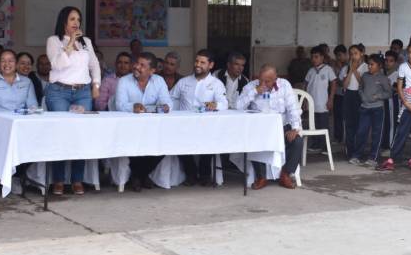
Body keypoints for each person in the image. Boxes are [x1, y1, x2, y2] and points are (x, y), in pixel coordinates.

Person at [45, 6, 101, 196]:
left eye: (78, 19)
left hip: (82, 92)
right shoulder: (54, 41)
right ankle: (59, 180)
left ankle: (77, 179)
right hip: (59, 91)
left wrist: (96, 84)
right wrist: (69, 44)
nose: (76, 23)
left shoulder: (86, 42)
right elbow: (57, 65)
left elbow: (94, 65)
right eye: (72, 19)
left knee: (80, 134)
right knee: (60, 134)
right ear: (64, 22)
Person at [237, 64, 303, 190]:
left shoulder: (284, 85)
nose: (263, 84)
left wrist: (295, 128)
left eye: (267, 81)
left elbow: (293, 108)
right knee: (253, 141)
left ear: (275, 78)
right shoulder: (251, 86)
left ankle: (285, 174)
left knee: (297, 141)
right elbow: (238, 106)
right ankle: (261, 177)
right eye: (261, 80)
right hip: (260, 128)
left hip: (281, 127)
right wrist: (255, 92)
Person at [115, 52, 172, 192]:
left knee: (165, 144)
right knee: (135, 143)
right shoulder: (124, 81)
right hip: (129, 128)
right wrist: (132, 106)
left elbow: (167, 101)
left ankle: (139, 175)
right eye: (137, 63)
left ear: (152, 71)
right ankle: (141, 176)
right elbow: (119, 104)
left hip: (152, 127)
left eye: (142, 65)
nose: (136, 67)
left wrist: (166, 106)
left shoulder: (158, 81)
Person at [170, 49, 228, 185]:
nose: (198, 64)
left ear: (211, 65)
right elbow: (170, 98)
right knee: (178, 143)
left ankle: (205, 175)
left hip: (206, 125)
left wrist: (213, 105)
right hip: (183, 125)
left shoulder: (216, 84)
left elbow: (224, 103)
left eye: (202, 62)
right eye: (197, 61)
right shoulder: (183, 82)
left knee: (209, 143)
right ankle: (190, 174)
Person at [378, 43, 411, 171]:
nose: (410, 55)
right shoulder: (403, 67)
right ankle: (393, 158)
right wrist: (406, 103)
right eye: (409, 52)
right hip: (407, 97)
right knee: (402, 129)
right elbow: (399, 87)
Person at [351, 54, 391, 167]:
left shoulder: (383, 78)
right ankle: (356, 156)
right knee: (361, 132)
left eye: (372, 64)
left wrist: (378, 96)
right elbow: (360, 88)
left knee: (376, 133)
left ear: (379, 66)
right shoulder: (365, 76)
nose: (369, 66)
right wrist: (362, 96)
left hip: (378, 109)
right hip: (364, 108)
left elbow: (389, 93)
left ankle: (373, 157)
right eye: (368, 64)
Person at [0, 50, 39, 120]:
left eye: (10, 61)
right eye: (3, 61)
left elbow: (33, 106)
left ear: (16, 64)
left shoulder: (27, 82)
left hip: (20, 122)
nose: (7, 64)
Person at [305, 46, 337, 153]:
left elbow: (333, 83)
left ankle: (325, 147)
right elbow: (306, 84)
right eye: (312, 57)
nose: (314, 59)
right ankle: (315, 144)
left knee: (324, 125)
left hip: (323, 103)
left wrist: (331, 99)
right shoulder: (310, 70)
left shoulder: (328, 69)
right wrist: (305, 100)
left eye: (316, 57)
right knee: (313, 125)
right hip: (311, 103)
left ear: (322, 57)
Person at [339, 44, 367, 158]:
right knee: (349, 124)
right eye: (351, 54)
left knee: (360, 124)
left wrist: (354, 69)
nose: (353, 56)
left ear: (361, 54)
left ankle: (359, 151)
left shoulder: (366, 67)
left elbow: (363, 84)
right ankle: (350, 151)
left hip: (359, 96)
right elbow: (345, 85)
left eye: (356, 53)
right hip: (349, 96)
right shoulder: (346, 68)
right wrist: (350, 70)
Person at [332, 45, 348, 144]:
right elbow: (333, 81)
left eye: (340, 55)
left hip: (347, 95)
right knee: (337, 116)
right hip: (337, 94)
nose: (338, 57)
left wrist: (337, 80)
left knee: (347, 117)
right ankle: (338, 137)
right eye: (336, 55)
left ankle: (347, 138)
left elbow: (341, 82)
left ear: (345, 54)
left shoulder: (349, 65)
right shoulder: (333, 66)